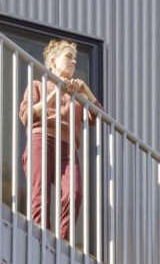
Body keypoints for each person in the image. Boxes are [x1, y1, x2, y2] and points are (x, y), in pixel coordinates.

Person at [18, 39, 100, 242]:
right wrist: (56, 93)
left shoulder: (76, 98)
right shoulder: (38, 85)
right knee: (40, 194)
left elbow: (97, 118)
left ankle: (62, 243)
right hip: (41, 139)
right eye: (68, 57)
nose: (73, 62)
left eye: (75, 58)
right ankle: (41, 239)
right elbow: (27, 116)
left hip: (67, 148)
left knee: (74, 193)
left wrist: (85, 92)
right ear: (53, 61)